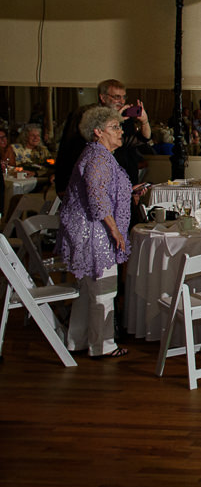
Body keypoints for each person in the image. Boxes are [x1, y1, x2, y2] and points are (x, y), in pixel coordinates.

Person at [57, 106, 145, 359]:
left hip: (89, 228)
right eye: (115, 127)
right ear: (97, 132)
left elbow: (102, 191)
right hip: (92, 231)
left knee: (88, 290)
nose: (120, 131)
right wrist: (116, 231)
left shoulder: (100, 155)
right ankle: (103, 345)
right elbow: (97, 198)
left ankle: (79, 340)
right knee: (104, 289)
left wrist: (130, 191)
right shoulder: (97, 156)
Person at [56, 79, 150, 195]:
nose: (121, 101)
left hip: (123, 176)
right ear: (103, 97)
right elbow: (83, 143)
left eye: (123, 97)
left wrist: (144, 121)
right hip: (99, 180)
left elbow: (141, 139)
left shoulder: (125, 117)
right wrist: (116, 118)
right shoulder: (89, 114)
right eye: (116, 97)